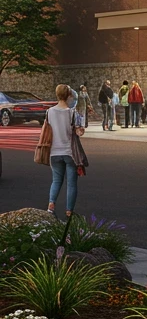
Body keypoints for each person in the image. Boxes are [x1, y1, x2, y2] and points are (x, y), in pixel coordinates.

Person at [46, 84, 86, 218]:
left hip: (54, 152)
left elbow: (47, 129)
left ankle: (51, 205)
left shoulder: (49, 112)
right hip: (69, 152)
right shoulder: (71, 112)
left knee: (56, 180)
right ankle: (69, 211)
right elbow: (79, 132)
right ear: (69, 95)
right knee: (71, 183)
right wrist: (80, 130)